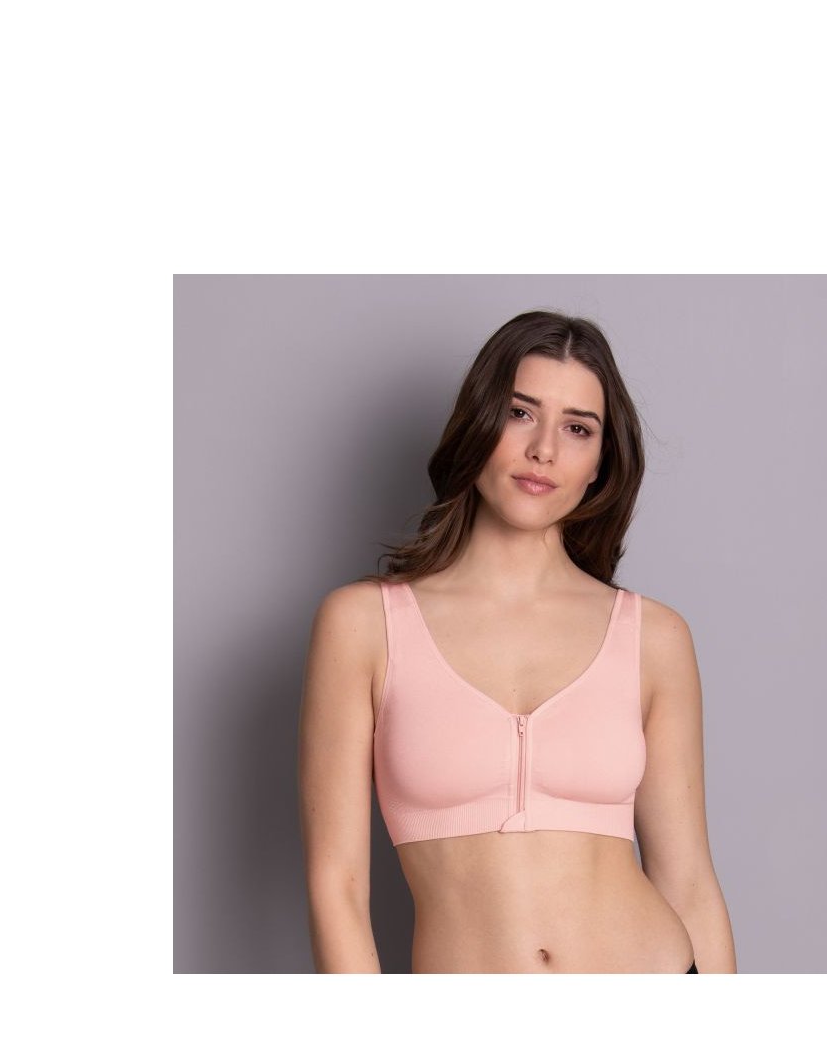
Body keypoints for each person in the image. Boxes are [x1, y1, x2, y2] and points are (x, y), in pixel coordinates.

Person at [297, 309, 737, 974]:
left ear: (600, 462)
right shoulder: (363, 626)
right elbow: (337, 885)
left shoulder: (654, 637)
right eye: (519, 413)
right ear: (477, 424)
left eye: (578, 428)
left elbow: (689, 880)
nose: (544, 451)